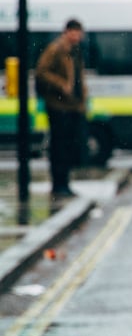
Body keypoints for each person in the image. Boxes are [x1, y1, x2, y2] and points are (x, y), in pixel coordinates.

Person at [35, 18, 87, 200]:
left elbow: (79, 78)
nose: (77, 36)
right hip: (58, 106)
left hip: (72, 106)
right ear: (67, 32)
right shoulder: (56, 49)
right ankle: (59, 185)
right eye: (74, 32)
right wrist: (62, 84)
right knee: (59, 146)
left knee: (69, 146)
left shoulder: (75, 51)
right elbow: (41, 72)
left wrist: (81, 103)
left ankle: (64, 184)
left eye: (79, 33)